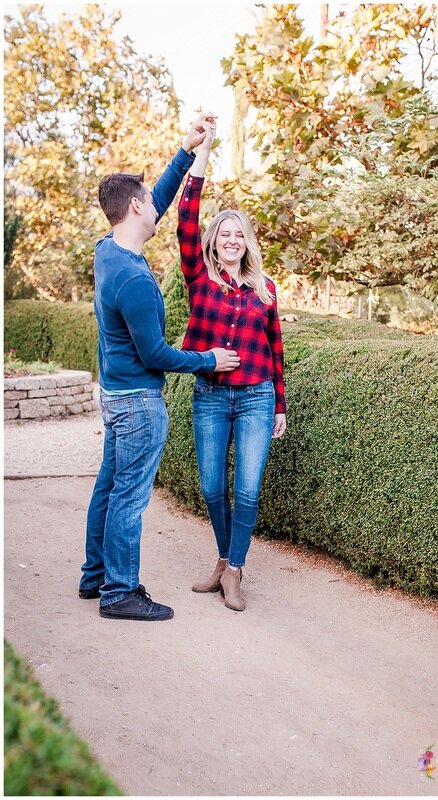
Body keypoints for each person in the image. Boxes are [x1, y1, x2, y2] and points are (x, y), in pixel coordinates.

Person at [80, 113, 240, 622]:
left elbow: (161, 200)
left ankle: (95, 576)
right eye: (149, 201)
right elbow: (157, 356)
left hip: (114, 394)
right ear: (133, 207)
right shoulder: (134, 280)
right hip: (137, 403)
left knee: (109, 484)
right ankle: (120, 592)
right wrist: (208, 359)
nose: (157, 206)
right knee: (128, 497)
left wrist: (186, 151)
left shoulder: (109, 250)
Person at [177, 120, 287, 612]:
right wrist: (204, 153)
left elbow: (275, 352)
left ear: (246, 242)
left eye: (238, 234)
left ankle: (234, 570)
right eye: (223, 233)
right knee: (210, 485)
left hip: (258, 396)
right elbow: (186, 214)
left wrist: (279, 405)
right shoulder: (199, 277)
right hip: (211, 398)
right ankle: (223, 560)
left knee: (247, 489)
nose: (230, 240)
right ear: (213, 242)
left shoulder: (265, 290)